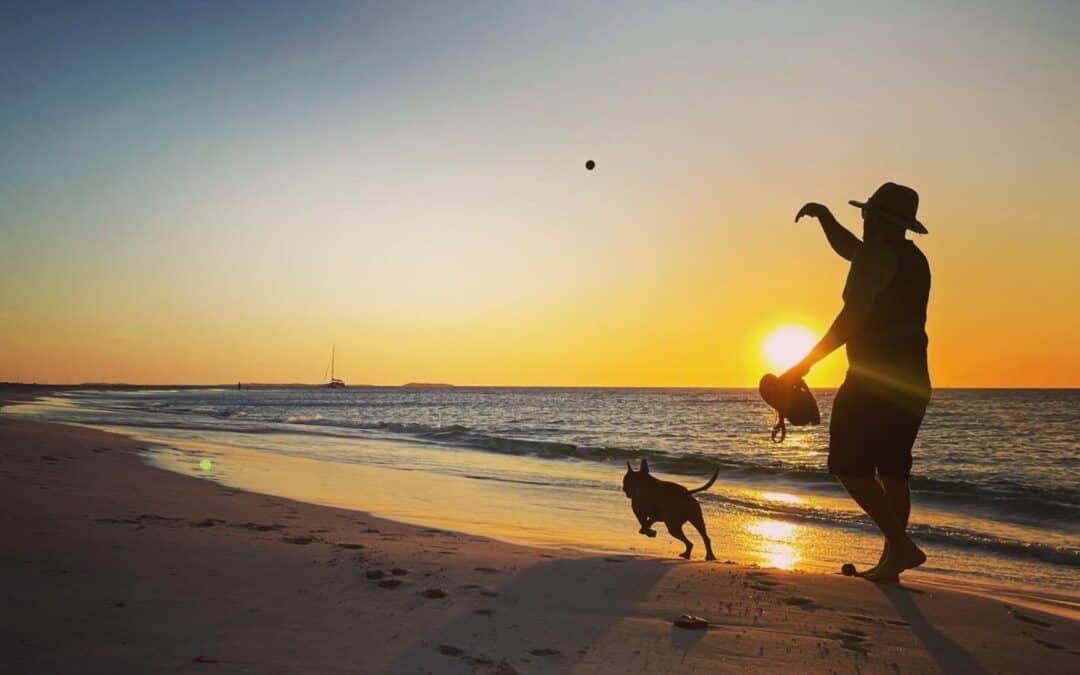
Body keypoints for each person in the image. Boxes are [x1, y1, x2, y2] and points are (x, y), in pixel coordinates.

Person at [782, 182, 931, 582]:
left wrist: (803, 365)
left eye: (865, 215)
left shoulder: (875, 257)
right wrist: (825, 218)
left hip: (871, 382)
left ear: (877, 218)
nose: (861, 221)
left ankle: (900, 545)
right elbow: (852, 250)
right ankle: (892, 563)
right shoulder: (913, 259)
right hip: (914, 383)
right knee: (894, 473)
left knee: (848, 467)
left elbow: (851, 319)